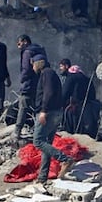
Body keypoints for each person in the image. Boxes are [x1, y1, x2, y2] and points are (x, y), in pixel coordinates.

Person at [30, 55, 73, 183]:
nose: (32, 67)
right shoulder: (50, 74)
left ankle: (64, 159)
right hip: (55, 112)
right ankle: (42, 177)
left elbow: (48, 93)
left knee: (37, 141)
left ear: (38, 63)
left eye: (33, 64)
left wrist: (43, 111)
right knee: (46, 144)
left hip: (49, 113)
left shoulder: (47, 73)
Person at [11, 34, 46, 140]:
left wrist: (22, 79)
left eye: (19, 43)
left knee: (23, 106)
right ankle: (40, 130)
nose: (18, 46)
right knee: (37, 108)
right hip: (39, 83)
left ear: (25, 42)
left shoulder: (27, 52)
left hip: (28, 84)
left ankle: (17, 131)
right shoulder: (39, 50)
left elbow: (26, 69)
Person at [61, 64, 98, 135]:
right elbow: (93, 94)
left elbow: (65, 92)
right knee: (82, 124)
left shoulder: (71, 77)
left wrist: (61, 103)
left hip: (75, 105)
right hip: (87, 105)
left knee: (71, 121)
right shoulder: (87, 78)